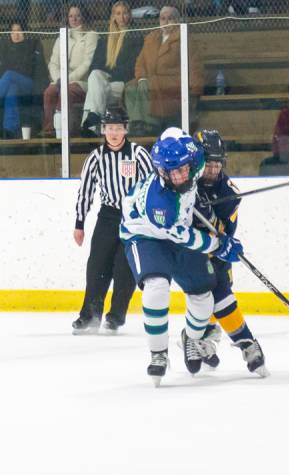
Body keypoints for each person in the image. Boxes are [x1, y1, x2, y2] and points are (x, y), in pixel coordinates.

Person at [120, 128, 247, 386]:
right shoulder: (159, 205)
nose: (180, 176)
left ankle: (192, 338)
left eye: (183, 169)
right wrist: (218, 245)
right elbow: (184, 236)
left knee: (203, 296)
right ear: (162, 172)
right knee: (156, 286)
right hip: (145, 236)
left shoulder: (196, 162)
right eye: (173, 172)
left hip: (180, 229)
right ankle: (158, 354)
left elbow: (209, 166)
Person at [190, 129, 268, 376]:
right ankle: (229, 339)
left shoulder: (228, 193)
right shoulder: (184, 180)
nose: (213, 170)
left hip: (214, 248)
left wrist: (213, 221)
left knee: (221, 292)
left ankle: (208, 337)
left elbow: (226, 231)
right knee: (212, 293)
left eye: (217, 164)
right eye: (208, 164)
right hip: (186, 251)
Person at [72, 107, 154, 334]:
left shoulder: (138, 154)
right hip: (107, 217)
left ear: (125, 129)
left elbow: (152, 186)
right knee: (96, 266)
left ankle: (115, 317)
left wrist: (150, 221)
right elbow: (86, 191)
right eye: (109, 128)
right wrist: (79, 223)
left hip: (134, 219)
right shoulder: (96, 157)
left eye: (118, 128)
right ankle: (90, 315)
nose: (114, 132)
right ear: (104, 130)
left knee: (124, 269)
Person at [125, 6, 201, 136]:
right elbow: (140, 62)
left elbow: (195, 65)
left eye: (170, 18)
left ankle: (149, 124)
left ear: (177, 20)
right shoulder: (151, 38)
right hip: (151, 79)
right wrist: (141, 77)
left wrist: (195, 90)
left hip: (173, 82)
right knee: (130, 88)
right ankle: (137, 122)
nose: (165, 22)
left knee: (146, 85)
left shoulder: (184, 38)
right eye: (163, 18)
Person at [80, 1, 143, 137]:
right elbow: (94, 66)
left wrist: (109, 76)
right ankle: (93, 120)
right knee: (95, 75)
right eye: (118, 13)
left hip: (122, 83)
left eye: (125, 13)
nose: (122, 17)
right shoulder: (105, 38)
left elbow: (131, 66)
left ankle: (90, 123)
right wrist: (105, 77)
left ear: (130, 15)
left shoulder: (136, 36)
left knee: (95, 90)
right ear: (113, 16)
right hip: (105, 84)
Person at [41, 3, 98, 137]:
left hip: (80, 82)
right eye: (71, 16)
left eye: (77, 15)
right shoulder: (61, 37)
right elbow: (53, 63)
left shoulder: (91, 35)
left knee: (66, 92)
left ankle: (65, 132)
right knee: (49, 92)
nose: (74, 19)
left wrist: (67, 80)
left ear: (83, 17)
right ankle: (49, 130)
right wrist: (59, 80)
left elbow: (87, 64)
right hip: (60, 81)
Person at [0, 20, 47, 138]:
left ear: (25, 32)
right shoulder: (5, 48)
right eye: (13, 31)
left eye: (19, 31)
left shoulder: (31, 45)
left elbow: (39, 70)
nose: (15, 34)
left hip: (29, 84)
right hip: (14, 85)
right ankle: (10, 129)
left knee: (10, 75)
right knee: (12, 89)